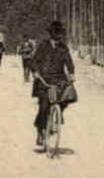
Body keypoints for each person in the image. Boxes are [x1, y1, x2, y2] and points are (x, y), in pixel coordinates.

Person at [31, 21, 75, 151]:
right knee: (44, 106)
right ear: (51, 34)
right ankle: (40, 129)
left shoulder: (63, 48)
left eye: (60, 33)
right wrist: (35, 72)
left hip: (59, 79)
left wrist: (71, 73)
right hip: (43, 80)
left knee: (68, 96)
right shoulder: (43, 46)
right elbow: (34, 61)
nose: (58, 36)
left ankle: (58, 112)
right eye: (55, 33)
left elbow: (69, 63)